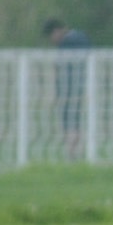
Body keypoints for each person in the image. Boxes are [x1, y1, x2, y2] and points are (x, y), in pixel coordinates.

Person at [44, 18, 92, 162]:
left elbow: (58, 68)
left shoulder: (66, 43)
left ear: (56, 31)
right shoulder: (82, 37)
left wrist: (54, 93)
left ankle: (71, 154)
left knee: (69, 122)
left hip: (69, 90)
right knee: (76, 121)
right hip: (83, 87)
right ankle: (76, 152)